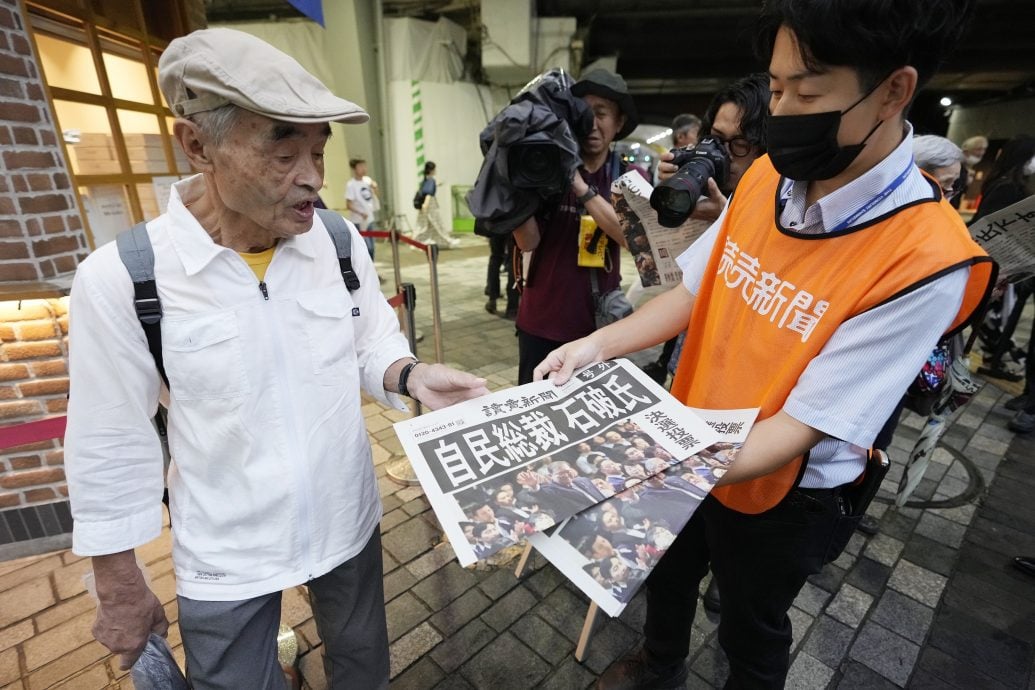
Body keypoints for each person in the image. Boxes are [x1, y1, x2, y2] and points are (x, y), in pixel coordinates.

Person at [534, 1, 995, 686]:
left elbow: (802, 426)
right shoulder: (764, 182)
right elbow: (694, 294)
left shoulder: (923, 258)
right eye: (774, 88)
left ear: (893, 90)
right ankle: (657, 666)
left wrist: (624, 461)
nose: (780, 111)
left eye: (804, 92)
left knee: (751, 624)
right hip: (692, 434)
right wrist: (593, 346)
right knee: (665, 573)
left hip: (788, 486)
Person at [63, 29, 489, 690]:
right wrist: (116, 579)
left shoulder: (339, 241)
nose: (312, 179)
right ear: (196, 145)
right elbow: (109, 441)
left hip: (346, 517)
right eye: (282, 150)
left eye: (318, 151)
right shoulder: (125, 277)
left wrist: (408, 374)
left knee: (360, 669)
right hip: (225, 548)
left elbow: (369, 339)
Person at [640, 73, 770, 384]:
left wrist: (724, 214)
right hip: (689, 356)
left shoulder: (789, 211)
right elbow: (686, 294)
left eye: (739, 144)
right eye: (716, 140)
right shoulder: (718, 182)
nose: (723, 155)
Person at [511, 68, 639, 384]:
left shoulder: (628, 177)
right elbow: (527, 243)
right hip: (539, 322)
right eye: (584, 112)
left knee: (591, 424)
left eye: (602, 113)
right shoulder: (546, 168)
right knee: (536, 420)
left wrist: (582, 188)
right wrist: (514, 198)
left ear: (619, 122)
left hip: (597, 331)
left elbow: (631, 238)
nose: (592, 123)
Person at [415, 161, 459, 248]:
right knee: (437, 224)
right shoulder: (431, 180)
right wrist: (426, 204)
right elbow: (429, 193)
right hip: (430, 205)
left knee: (425, 225)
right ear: (432, 170)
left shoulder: (426, 180)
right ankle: (447, 241)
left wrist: (437, 185)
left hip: (426, 205)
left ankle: (419, 241)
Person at [345, 157, 379, 259]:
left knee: (372, 248)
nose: (364, 168)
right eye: (360, 166)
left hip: (370, 219)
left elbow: (376, 195)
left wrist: (375, 187)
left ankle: (372, 270)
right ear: (354, 169)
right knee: (366, 248)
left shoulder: (367, 180)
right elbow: (348, 204)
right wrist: (360, 213)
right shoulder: (351, 184)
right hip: (359, 221)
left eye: (364, 166)